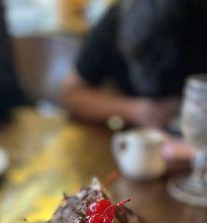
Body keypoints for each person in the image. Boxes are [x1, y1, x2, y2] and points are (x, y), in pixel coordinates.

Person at [62, 0, 207, 129]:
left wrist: (186, 104)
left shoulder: (197, 17)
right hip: (130, 136)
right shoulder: (116, 19)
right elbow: (72, 95)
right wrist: (132, 110)